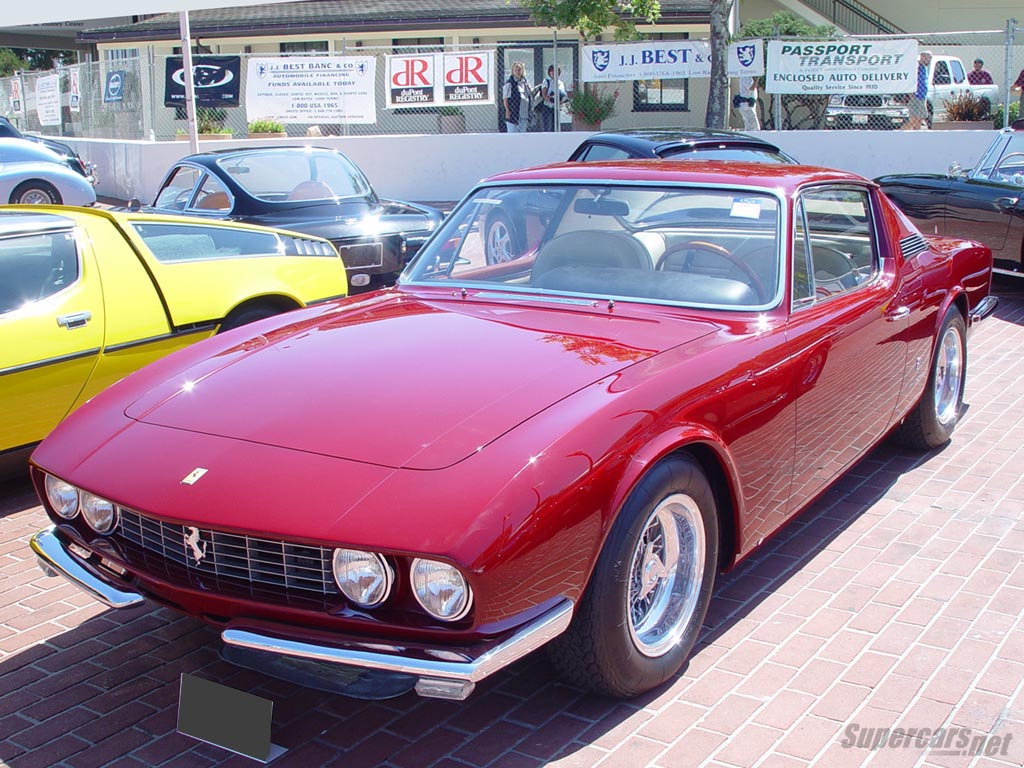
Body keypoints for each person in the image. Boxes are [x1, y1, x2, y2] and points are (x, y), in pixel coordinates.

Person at [502, 61, 532, 133]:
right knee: (513, 134)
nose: (518, 72)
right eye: (516, 70)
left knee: (522, 134)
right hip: (513, 112)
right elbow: (505, 98)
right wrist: (507, 110)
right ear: (513, 71)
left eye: (519, 70)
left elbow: (529, 94)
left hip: (524, 113)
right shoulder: (510, 83)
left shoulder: (525, 83)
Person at [906, 50, 932, 130]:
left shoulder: (924, 67)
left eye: (930, 58)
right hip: (915, 97)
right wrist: (911, 93)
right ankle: (899, 133)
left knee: (919, 119)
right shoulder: (917, 66)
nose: (929, 59)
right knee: (914, 119)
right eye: (928, 57)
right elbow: (910, 79)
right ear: (922, 57)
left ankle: (917, 134)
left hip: (922, 96)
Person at [540, 64, 567, 132]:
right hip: (547, 107)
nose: (553, 73)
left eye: (555, 71)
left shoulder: (561, 83)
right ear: (549, 72)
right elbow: (544, 94)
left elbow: (563, 95)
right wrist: (551, 100)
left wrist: (561, 101)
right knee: (547, 126)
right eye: (552, 71)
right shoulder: (547, 81)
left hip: (557, 108)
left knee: (555, 127)